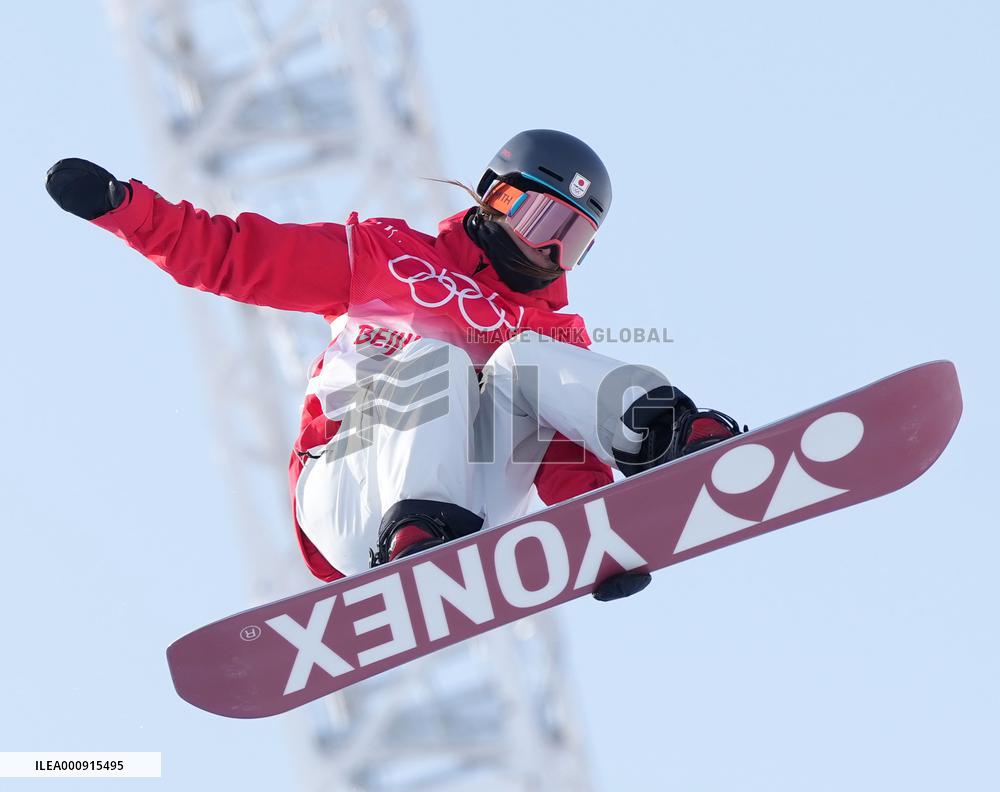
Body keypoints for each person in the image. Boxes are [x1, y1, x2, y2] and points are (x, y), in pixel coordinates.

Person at [46, 129, 742, 601]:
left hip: (474, 512)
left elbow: (561, 458)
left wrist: (600, 545)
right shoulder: (381, 255)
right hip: (353, 492)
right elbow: (234, 254)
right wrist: (123, 209)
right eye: (540, 224)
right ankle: (414, 531)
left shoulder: (551, 326)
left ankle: (667, 435)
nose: (548, 254)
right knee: (437, 356)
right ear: (495, 197)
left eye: (571, 240)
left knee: (530, 354)